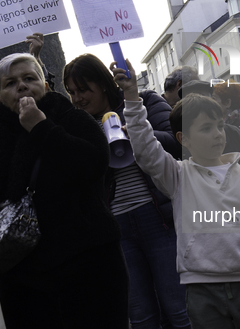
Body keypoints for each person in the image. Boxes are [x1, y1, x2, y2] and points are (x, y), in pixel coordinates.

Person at [113, 60, 240, 329]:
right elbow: (145, 149)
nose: (217, 134)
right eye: (206, 128)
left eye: (219, 125)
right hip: (201, 289)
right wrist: (131, 95)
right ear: (183, 138)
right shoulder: (177, 176)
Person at [0, 53, 128, 328]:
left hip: (88, 267)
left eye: (29, 78)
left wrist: (41, 128)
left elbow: (94, 165)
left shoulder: (73, 119)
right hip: (25, 279)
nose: (21, 86)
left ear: (45, 86)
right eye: (10, 83)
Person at [62, 54, 189, 329]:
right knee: (140, 315)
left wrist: (138, 132)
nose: (77, 99)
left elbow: (177, 144)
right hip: (117, 227)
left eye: (83, 90)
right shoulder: (78, 125)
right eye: (71, 92)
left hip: (159, 218)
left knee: (179, 308)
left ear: (104, 84)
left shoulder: (143, 101)